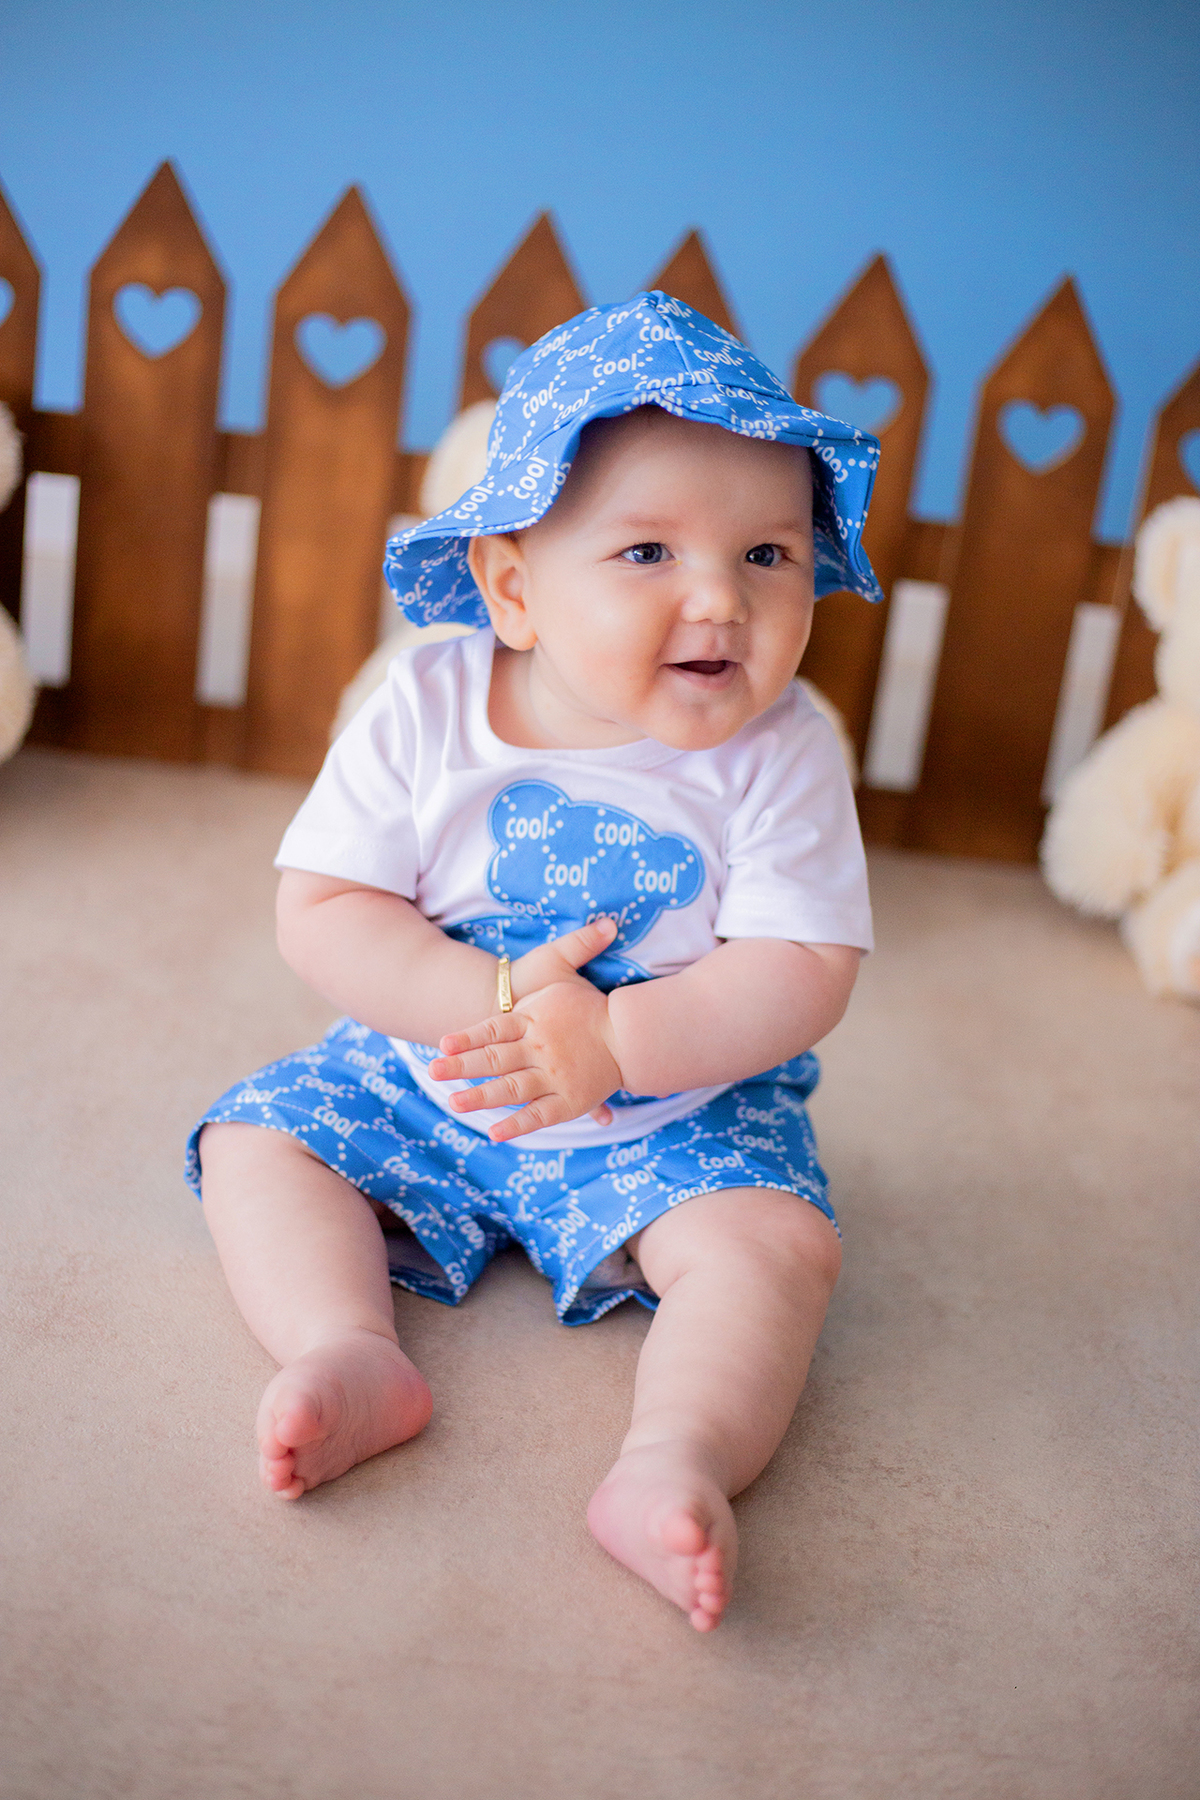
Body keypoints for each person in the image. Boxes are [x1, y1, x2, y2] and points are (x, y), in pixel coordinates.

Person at [189, 292, 881, 1632]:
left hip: (674, 1102)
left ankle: (674, 1456)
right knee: (258, 1145)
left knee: (776, 1247)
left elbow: (802, 970)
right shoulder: (428, 706)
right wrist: (491, 1003)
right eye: (645, 551)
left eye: (768, 554)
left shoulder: (785, 748)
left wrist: (618, 1048)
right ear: (511, 588)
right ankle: (348, 1349)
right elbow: (325, 908)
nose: (717, 598)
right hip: (428, 1066)